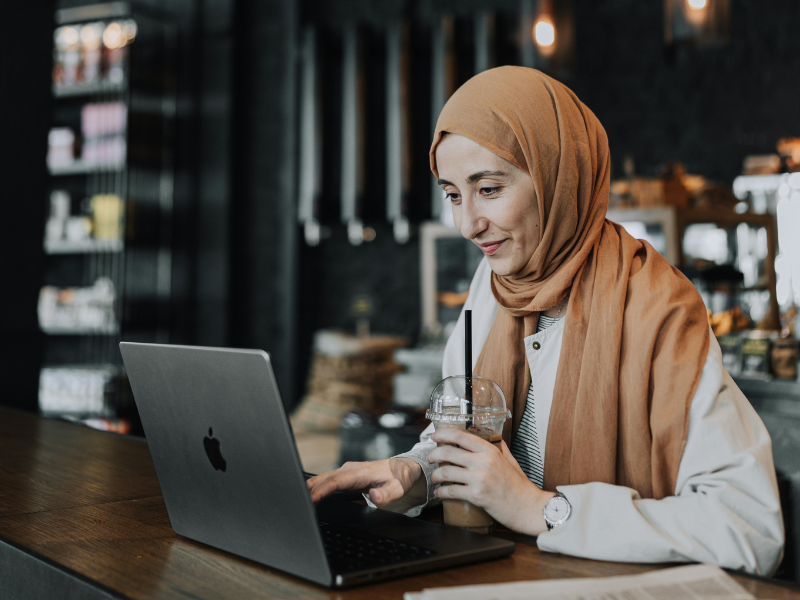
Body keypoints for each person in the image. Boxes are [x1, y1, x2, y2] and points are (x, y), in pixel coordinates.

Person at [307, 66, 784, 575]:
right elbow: (471, 435)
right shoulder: (489, 290)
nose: (467, 224)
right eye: (452, 194)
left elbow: (750, 529)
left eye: (488, 189)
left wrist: (541, 510)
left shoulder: (659, 309)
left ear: (559, 177)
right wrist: (416, 472)